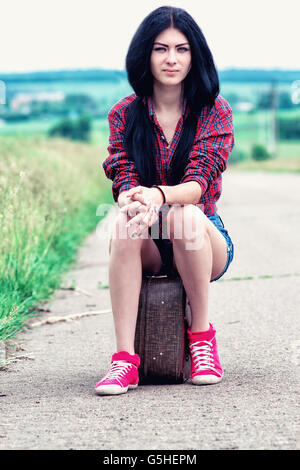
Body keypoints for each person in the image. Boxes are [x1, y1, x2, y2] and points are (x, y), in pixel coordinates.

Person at [95, 6, 234, 395]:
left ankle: (202, 337)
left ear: (195, 55)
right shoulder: (123, 114)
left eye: (182, 49)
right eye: (161, 49)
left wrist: (159, 195)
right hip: (146, 237)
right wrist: (133, 198)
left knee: (184, 216)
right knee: (122, 222)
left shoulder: (214, 111)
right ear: (146, 54)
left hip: (203, 238)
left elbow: (199, 183)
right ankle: (124, 361)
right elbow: (121, 173)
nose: (171, 59)